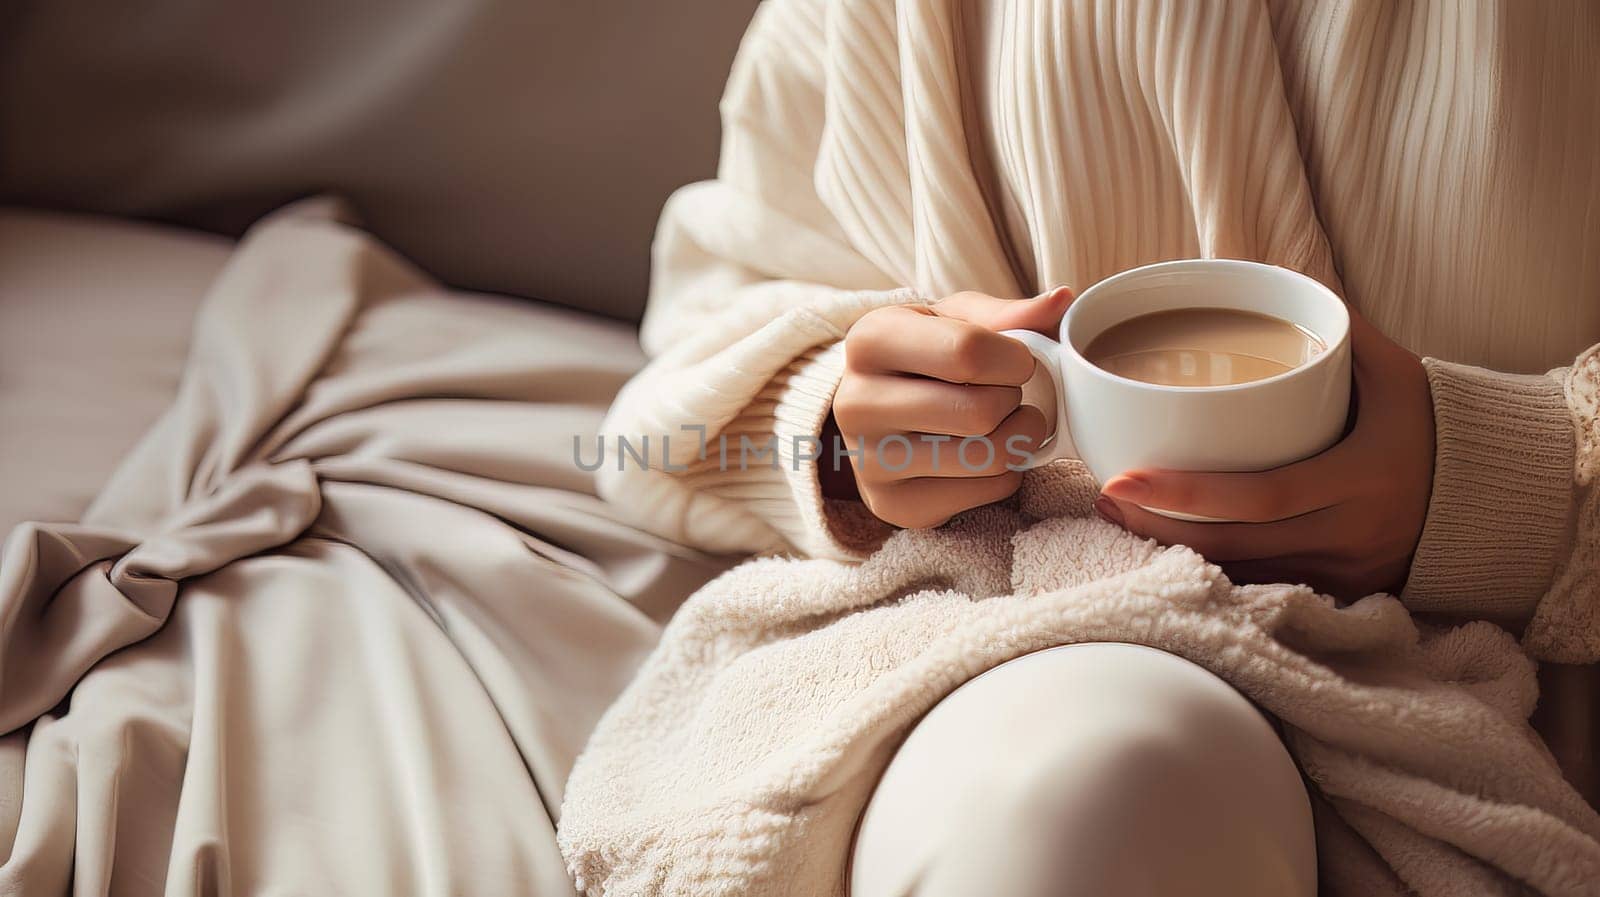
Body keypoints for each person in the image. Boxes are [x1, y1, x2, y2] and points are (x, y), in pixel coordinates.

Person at [599, 0, 1600, 893]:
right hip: (1020, 646)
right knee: (1084, 784)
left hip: (1529, 708)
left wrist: (1518, 485)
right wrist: (846, 433)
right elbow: (719, 304)